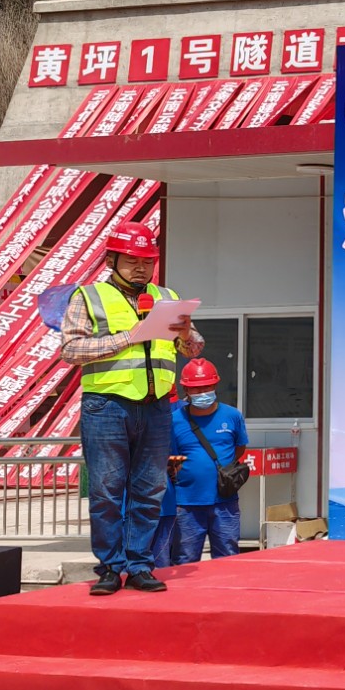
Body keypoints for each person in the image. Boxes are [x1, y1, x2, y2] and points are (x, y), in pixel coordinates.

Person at [60, 220, 202, 596]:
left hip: (156, 405)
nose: (141, 268)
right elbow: (70, 349)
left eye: (147, 261)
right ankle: (110, 567)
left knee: (150, 489)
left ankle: (139, 565)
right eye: (132, 260)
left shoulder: (166, 296)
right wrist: (129, 337)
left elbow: (194, 348)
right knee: (106, 490)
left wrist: (185, 333)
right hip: (107, 405)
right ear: (112, 260)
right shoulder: (88, 297)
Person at [170, 356, 249, 563]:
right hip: (187, 504)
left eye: (206, 386)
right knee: (185, 560)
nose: (202, 392)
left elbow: (239, 449)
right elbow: (172, 459)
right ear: (186, 390)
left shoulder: (232, 416)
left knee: (228, 559)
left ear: (215, 385)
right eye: (196, 388)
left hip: (225, 502)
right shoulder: (175, 421)